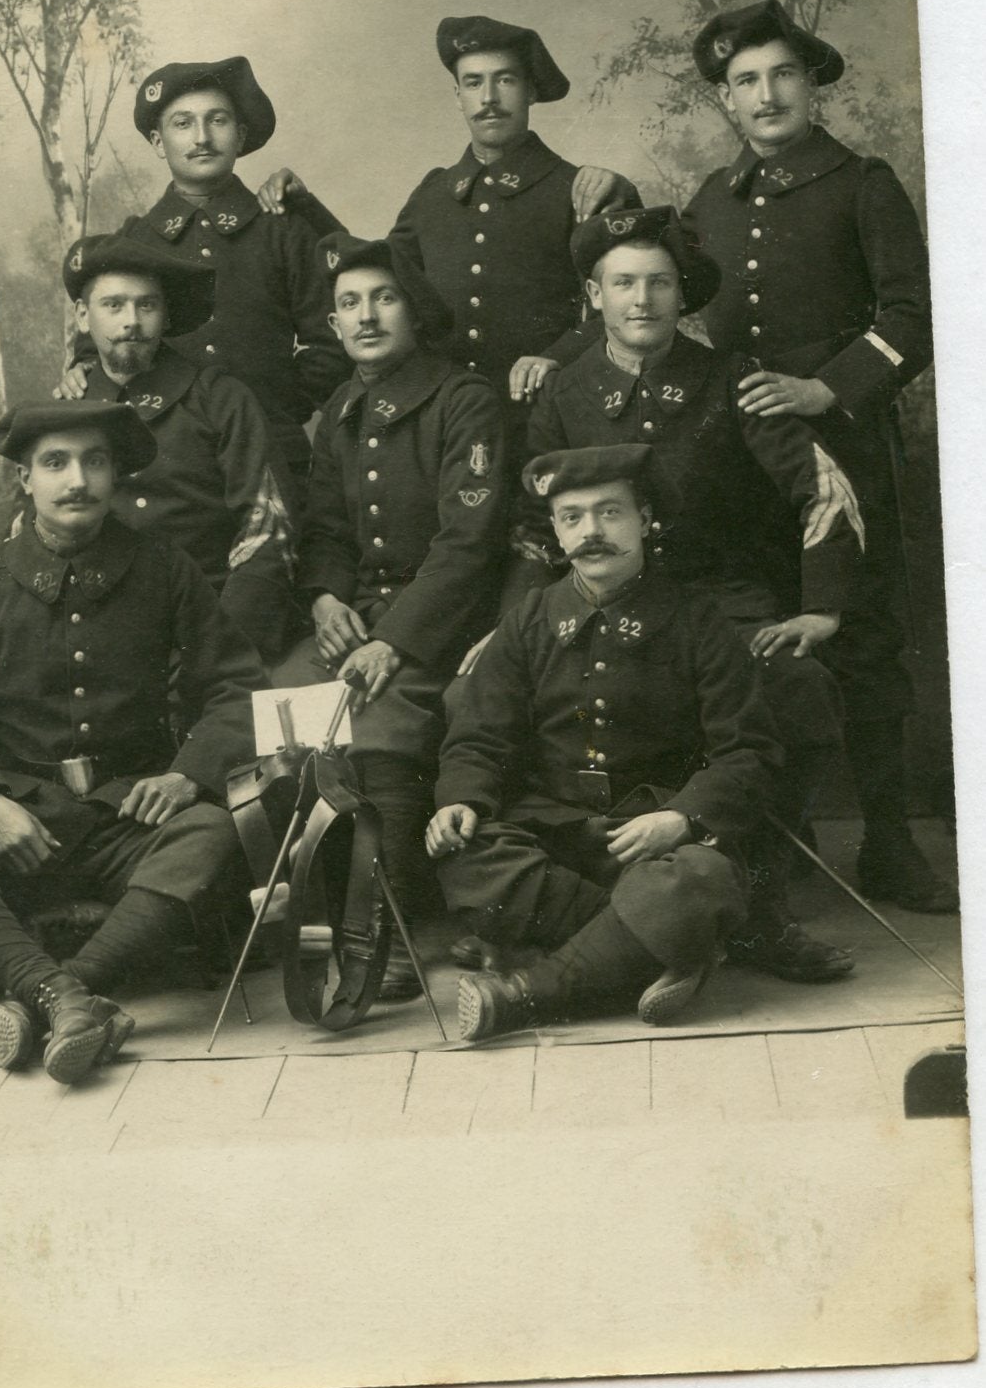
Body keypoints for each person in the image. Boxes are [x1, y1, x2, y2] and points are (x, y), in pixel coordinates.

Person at [513, 206, 863, 983]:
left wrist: (821, 606)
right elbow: (536, 536)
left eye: (660, 282)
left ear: (683, 295)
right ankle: (623, 914)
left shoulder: (733, 380)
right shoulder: (563, 396)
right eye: (624, 282)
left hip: (720, 603)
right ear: (594, 296)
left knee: (801, 693)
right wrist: (513, 631)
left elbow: (823, 491)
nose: (643, 299)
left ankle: (758, 906)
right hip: (602, 603)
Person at [0, 401, 263, 1083]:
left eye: (95, 461)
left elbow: (236, 688)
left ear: (116, 475)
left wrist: (187, 776)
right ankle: (68, 995)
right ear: (24, 480)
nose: (78, 479)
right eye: (55, 463)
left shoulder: (163, 567)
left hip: (128, 820)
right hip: (22, 822)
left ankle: (56, 990)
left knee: (213, 831)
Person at [685, 0, 952, 912]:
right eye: (745, 82)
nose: (766, 96)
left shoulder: (863, 183)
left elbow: (915, 319)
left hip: (848, 451)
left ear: (811, 81)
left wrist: (826, 389)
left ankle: (888, 843)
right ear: (726, 100)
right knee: (765, 640)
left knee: (865, 644)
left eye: (781, 75)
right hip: (748, 470)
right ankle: (779, 843)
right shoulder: (711, 203)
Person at [426, 445, 783, 1042]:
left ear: (645, 520)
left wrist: (681, 817)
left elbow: (748, 751)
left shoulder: (699, 621)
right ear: (557, 534)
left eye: (610, 513)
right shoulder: (528, 620)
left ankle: (524, 993)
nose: (591, 532)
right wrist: (461, 798)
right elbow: (478, 736)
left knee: (697, 878)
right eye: (572, 518)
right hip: (555, 836)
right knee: (465, 849)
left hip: (652, 844)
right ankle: (658, 946)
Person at [273, 231, 509, 997]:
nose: (366, 316)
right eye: (348, 304)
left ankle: (394, 925)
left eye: (383, 298)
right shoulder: (342, 406)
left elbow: (468, 545)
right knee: (281, 716)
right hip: (363, 613)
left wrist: (395, 642)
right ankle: (315, 914)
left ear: (415, 309)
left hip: (449, 616)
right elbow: (328, 533)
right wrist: (325, 598)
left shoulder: (462, 398)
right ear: (333, 323)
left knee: (376, 723)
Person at [258, 14, 640, 436]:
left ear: (531, 90)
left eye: (505, 80)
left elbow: (621, 307)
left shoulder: (578, 190)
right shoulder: (434, 193)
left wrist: (556, 358)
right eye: (474, 83)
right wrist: (306, 206)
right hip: (443, 423)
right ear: (458, 96)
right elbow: (384, 270)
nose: (489, 98)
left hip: (546, 416)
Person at [64, 56, 345, 499]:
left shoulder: (282, 231)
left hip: (273, 452)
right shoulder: (133, 241)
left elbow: (333, 342)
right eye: (182, 123)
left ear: (242, 135)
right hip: (160, 463)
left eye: (217, 120)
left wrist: (273, 404)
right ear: (158, 141)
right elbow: (95, 344)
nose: (201, 138)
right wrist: (80, 369)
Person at [56, 230, 295, 660]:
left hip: (207, 621)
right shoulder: (65, 409)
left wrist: (215, 647)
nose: (131, 321)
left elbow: (268, 531)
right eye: (113, 305)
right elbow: (29, 529)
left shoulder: (220, 398)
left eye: (146, 304)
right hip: (93, 631)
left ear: (165, 316)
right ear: (82, 316)